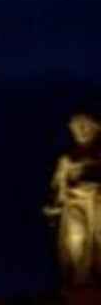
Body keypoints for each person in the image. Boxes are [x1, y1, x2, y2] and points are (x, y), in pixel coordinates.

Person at [48, 113, 101, 287]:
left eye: (85, 126)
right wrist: (56, 202)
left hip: (97, 203)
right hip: (74, 204)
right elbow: (58, 186)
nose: (81, 131)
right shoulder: (67, 158)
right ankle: (79, 280)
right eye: (77, 127)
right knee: (75, 240)